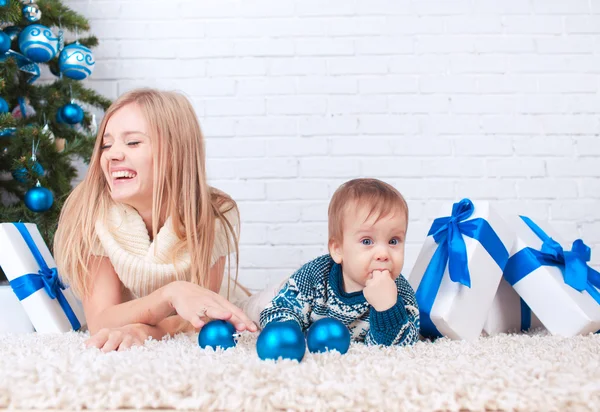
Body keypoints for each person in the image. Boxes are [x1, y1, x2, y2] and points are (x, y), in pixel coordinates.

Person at [54, 88, 257, 352]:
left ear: (175, 152)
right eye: (106, 144)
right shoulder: (93, 211)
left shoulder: (213, 213)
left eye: (133, 142)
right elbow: (101, 320)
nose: (112, 154)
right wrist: (170, 295)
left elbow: (202, 316)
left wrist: (146, 331)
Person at [259, 178, 420, 346]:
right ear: (338, 249)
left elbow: (401, 348)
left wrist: (387, 309)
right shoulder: (316, 275)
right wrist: (287, 330)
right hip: (281, 291)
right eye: (367, 241)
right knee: (257, 308)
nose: (383, 254)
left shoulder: (400, 293)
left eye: (393, 241)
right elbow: (278, 309)